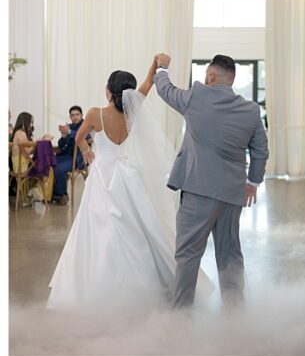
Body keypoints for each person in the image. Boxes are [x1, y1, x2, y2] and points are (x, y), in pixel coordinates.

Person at [48, 63, 212, 312]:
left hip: (103, 173)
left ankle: (100, 286)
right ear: (128, 93)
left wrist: (86, 151)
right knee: (138, 225)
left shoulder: (95, 113)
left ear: (108, 91)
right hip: (126, 173)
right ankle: (150, 284)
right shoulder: (132, 111)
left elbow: (79, 136)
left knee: (98, 228)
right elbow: (147, 86)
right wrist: (156, 65)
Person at [153, 53, 269, 309]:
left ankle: (181, 315)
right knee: (230, 254)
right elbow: (261, 149)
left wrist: (161, 68)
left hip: (198, 192)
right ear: (232, 80)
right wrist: (252, 182)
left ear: (211, 76)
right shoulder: (250, 110)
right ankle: (235, 312)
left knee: (188, 254)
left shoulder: (197, 96)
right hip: (232, 194)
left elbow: (166, 91)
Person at [10, 112, 53, 203]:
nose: (32, 124)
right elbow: (27, 152)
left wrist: (39, 141)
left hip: (21, 163)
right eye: (31, 122)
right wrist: (38, 142)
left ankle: (34, 191)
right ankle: (38, 192)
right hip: (22, 166)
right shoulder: (21, 134)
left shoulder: (18, 133)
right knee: (48, 168)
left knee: (44, 165)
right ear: (25, 121)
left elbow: (28, 151)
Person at [51, 105, 86, 204]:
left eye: (77, 114)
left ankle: (61, 195)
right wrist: (63, 136)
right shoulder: (69, 126)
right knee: (50, 162)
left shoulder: (85, 125)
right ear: (70, 117)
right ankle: (50, 194)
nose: (75, 117)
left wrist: (69, 132)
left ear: (81, 115)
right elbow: (62, 147)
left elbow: (82, 135)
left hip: (78, 158)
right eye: (72, 115)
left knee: (59, 168)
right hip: (67, 156)